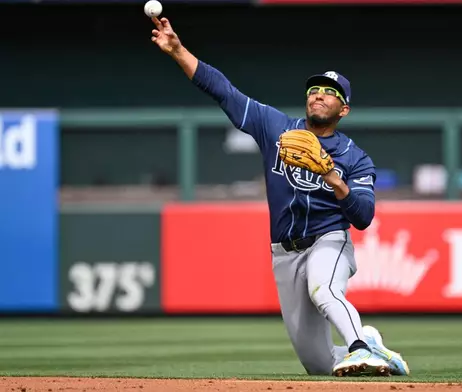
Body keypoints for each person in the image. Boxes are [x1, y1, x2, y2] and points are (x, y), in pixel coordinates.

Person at [149, 16, 410, 377]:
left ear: (343, 109)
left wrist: (332, 176)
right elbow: (224, 91)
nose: (319, 94)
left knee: (324, 290)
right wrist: (178, 50)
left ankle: (362, 348)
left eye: (330, 92)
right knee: (316, 364)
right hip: (283, 252)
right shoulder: (275, 127)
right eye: (314, 90)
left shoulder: (354, 156)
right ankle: (369, 341)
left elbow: (363, 216)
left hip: (328, 241)